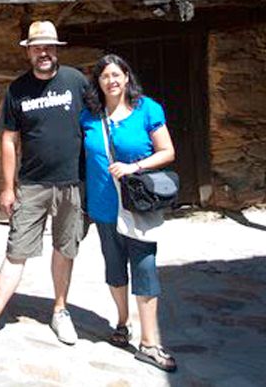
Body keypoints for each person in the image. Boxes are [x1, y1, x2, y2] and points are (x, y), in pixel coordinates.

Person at [0, 21, 90, 348]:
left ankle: (60, 310)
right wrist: (7, 186)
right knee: (17, 251)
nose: (43, 53)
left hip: (72, 182)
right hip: (32, 184)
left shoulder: (76, 81)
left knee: (65, 248)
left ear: (56, 49)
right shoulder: (18, 90)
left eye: (48, 47)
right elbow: (8, 141)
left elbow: (96, 124)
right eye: (37, 47)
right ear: (28, 51)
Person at [80, 54, 177, 372]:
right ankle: (122, 322)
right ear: (98, 82)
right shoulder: (89, 117)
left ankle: (150, 342)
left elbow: (167, 151)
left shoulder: (148, 109)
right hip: (104, 205)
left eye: (116, 74)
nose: (111, 81)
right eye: (105, 76)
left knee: (145, 267)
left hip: (138, 205)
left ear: (126, 77)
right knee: (114, 267)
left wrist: (134, 166)